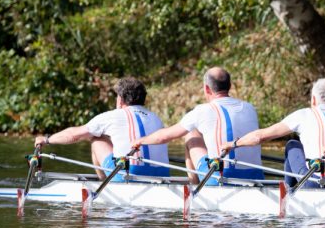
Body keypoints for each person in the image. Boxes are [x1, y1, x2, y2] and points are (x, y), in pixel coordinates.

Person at [220, 78, 325, 187]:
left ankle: (288, 193)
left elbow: (259, 137)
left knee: (292, 144)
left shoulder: (305, 115)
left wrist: (233, 144)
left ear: (313, 100)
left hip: (317, 184)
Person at [133, 66, 263, 182]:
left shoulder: (203, 110)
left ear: (206, 88)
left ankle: (194, 185)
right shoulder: (249, 108)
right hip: (256, 176)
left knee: (191, 133)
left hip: (219, 177)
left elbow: (164, 137)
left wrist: (141, 141)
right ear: (230, 86)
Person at [33, 77, 170, 180]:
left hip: (128, 174)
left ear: (120, 99)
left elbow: (74, 135)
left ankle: (104, 184)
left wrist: (46, 139)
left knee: (96, 138)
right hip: (162, 175)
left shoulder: (112, 116)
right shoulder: (156, 118)